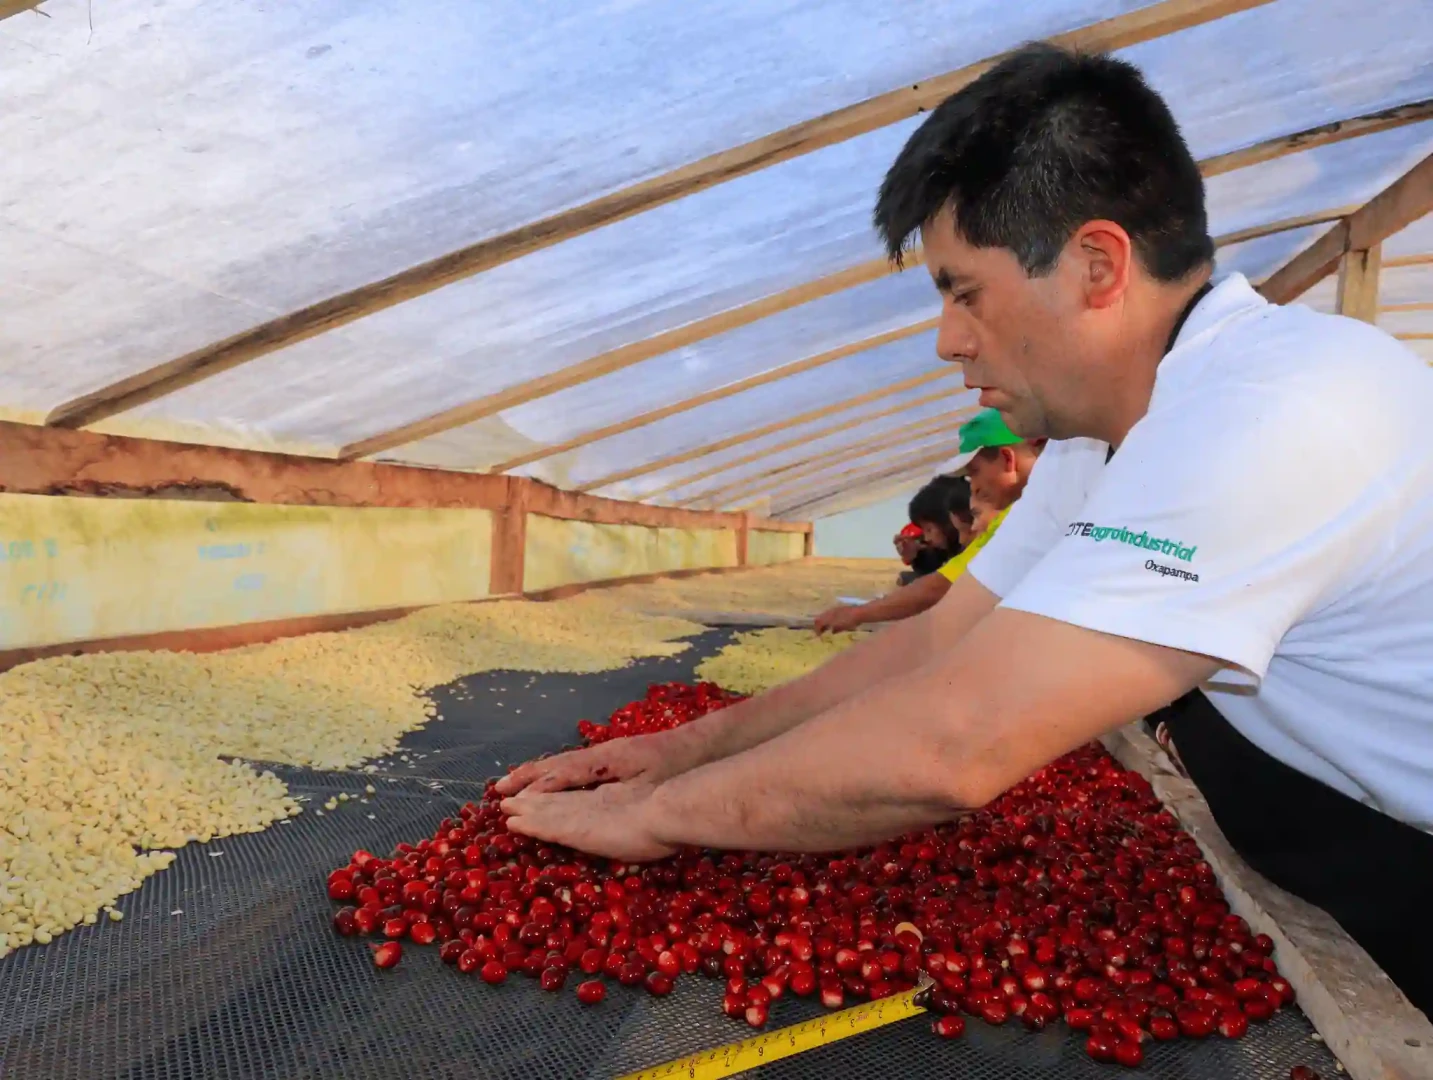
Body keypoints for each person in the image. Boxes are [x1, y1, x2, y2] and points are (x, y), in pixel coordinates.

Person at [498, 44, 1433, 1013]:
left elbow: (955, 742)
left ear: (1094, 266)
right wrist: (682, 751)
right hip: (1329, 822)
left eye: (963, 291)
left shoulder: (1276, 413)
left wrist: (654, 819)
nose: (946, 338)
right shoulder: (1097, 441)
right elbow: (939, 646)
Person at [811, 411, 1040, 634]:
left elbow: (943, 586)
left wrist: (858, 614)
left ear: (1008, 459)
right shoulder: (1032, 507)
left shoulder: (1020, 518)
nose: (974, 486)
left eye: (974, 472)